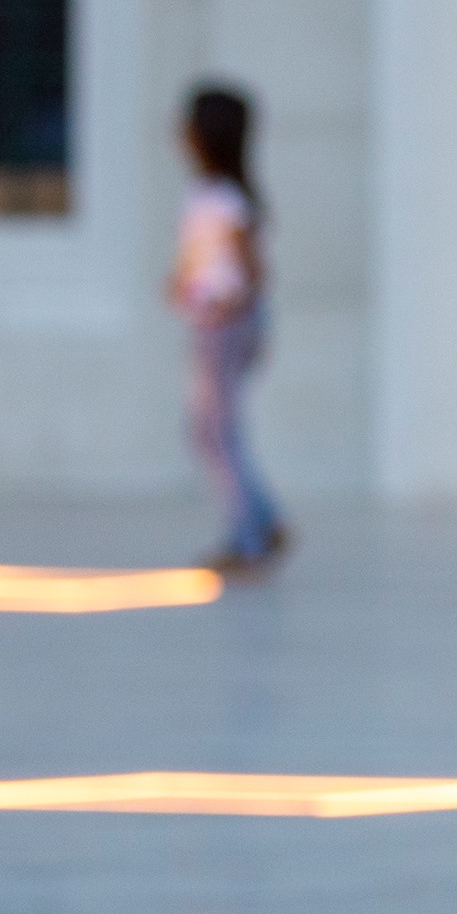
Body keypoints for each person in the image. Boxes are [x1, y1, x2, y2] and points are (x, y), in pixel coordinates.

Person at [170, 83, 288, 576]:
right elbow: (199, 257)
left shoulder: (226, 199)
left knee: (217, 431)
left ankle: (249, 537)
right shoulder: (207, 196)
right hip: (213, 322)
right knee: (211, 429)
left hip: (226, 326)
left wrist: (228, 306)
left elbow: (250, 269)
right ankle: (261, 518)